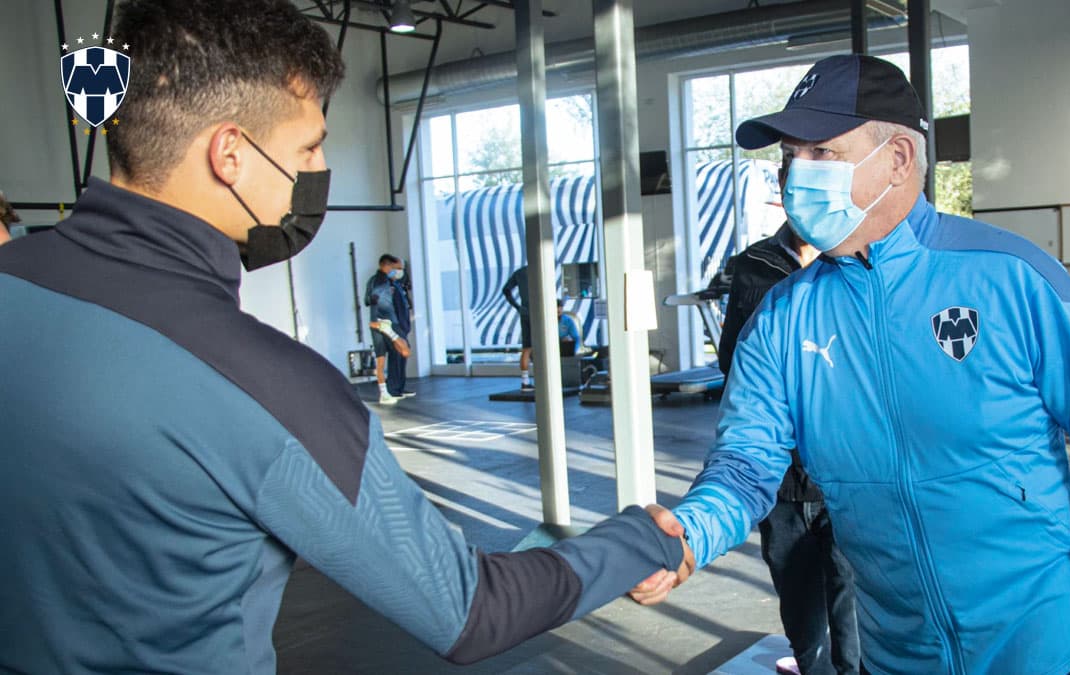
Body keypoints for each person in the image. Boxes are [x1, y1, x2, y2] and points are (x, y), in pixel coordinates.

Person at [0, 1, 685, 672]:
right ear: (230, 153)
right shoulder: (267, 386)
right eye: (307, 146)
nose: (314, 170)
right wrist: (634, 541)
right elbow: (469, 609)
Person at [633, 54, 1070, 675]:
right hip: (899, 652)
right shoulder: (781, 319)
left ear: (899, 159)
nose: (794, 175)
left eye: (822, 153)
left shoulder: (1016, 279)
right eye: (788, 156)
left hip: (1039, 644)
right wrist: (689, 534)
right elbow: (746, 467)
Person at [718, 225, 857, 675]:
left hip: (846, 473)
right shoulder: (753, 266)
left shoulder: (856, 258)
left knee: (850, 595)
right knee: (799, 602)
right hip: (781, 479)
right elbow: (732, 361)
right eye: (789, 168)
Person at [365, 253, 412, 402]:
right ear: (387, 266)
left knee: (399, 354)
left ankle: (395, 389)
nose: (398, 271)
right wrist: (377, 321)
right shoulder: (378, 282)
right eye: (395, 268)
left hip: (392, 322)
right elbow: (372, 301)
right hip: (386, 322)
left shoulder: (392, 283)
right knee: (397, 352)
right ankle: (391, 389)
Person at [502, 264, 535, 390]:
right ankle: (544, 379)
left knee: (527, 348)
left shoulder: (520, 272)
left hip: (525, 312)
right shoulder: (540, 270)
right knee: (541, 347)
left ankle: (525, 381)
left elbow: (506, 290)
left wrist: (517, 307)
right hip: (538, 312)